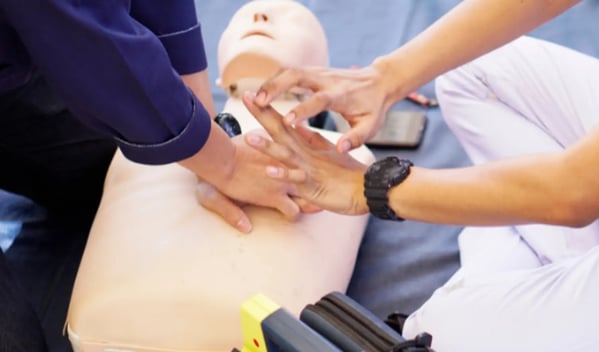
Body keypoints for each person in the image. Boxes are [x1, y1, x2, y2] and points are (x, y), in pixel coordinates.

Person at [240, 0, 599, 350]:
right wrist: (386, 76)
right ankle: (578, 277)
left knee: (439, 330)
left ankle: (591, 293)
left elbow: (575, 190)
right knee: (471, 75)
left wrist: (366, 187)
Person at [64, 1, 375, 351]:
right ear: (219, 75)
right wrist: (215, 158)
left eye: (292, 20)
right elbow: (77, 29)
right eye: (243, 16)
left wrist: (208, 149)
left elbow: (165, 17)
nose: (259, 16)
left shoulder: (345, 163)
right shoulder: (134, 147)